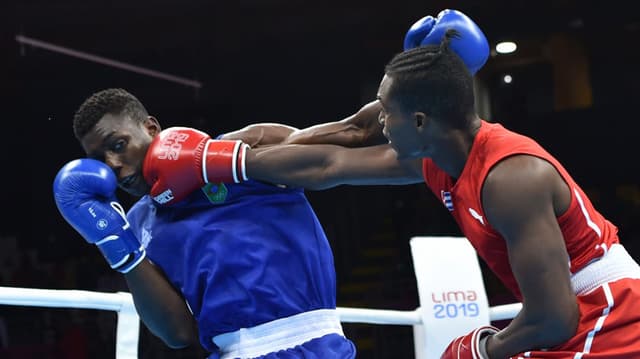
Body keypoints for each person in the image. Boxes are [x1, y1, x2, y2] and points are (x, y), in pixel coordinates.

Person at [160, 27, 640, 359]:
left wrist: (482, 347)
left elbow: (554, 319)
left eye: (387, 112)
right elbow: (331, 162)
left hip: (611, 317)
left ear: (419, 121)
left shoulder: (511, 178)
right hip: (576, 313)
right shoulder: (436, 158)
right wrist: (220, 162)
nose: (377, 123)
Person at [52, 9, 489, 358]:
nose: (113, 164)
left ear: (150, 126)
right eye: (97, 159)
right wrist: (121, 252)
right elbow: (178, 333)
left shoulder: (245, 146)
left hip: (319, 343)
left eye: (118, 144)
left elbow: (356, 133)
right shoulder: (138, 222)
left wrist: (428, 76)